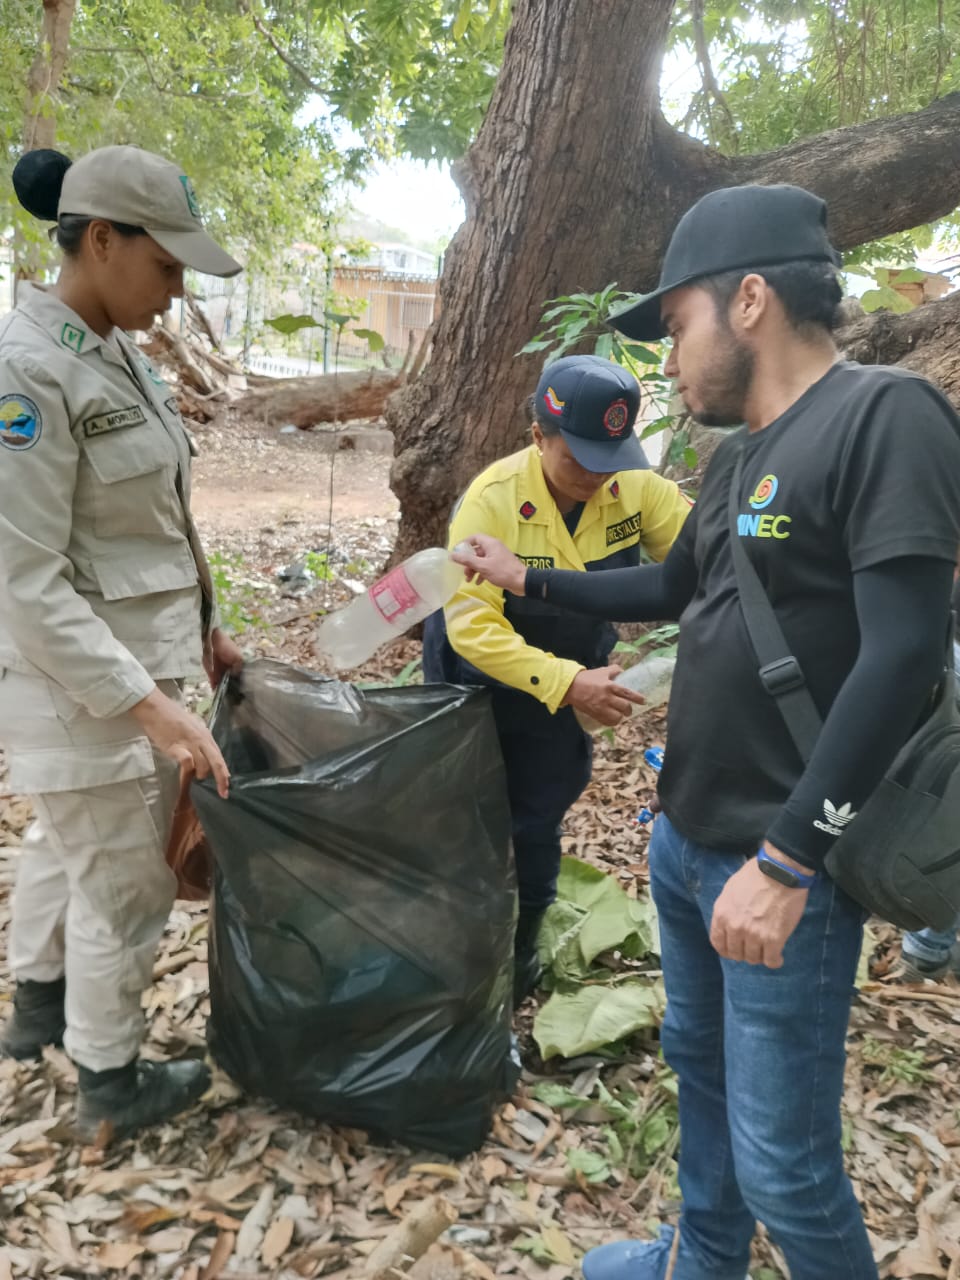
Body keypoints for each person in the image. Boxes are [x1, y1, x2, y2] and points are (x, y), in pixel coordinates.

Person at [453, 184, 960, 1280]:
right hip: (686, 840)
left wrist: (786, 858)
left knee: (786, 1160)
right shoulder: (736, 458)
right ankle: (702, 1259)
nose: (668, 363)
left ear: (749, 300)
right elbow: (676, 584)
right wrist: (526, 573)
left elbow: (905, 650)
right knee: (699, 1069)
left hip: (784, 862)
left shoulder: (888, 418)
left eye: (675, 325)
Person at [0, 145, 244, 1141]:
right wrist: (152, 704)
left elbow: (150, 527)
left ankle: (37, 1012)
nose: (178, 287)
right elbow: (25, 581)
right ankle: (109, 1082)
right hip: (86, 693)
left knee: (64, 846)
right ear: (100, 239)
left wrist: (206, 631)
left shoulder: (112, 352)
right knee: (126, 885)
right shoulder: (29, 371)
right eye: (167, 263)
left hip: (134, 665)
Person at [422, 355, 691, 998]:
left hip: (569, 674)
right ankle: (452, 939)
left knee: (537, 815)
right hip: (478, 678)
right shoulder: (491, 502)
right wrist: (570, 683)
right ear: (538, 436)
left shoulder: (639, 488)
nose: (599, 475)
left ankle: (521, 950)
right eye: (581, 458)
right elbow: (475, 630)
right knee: (469, 811)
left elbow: (707, 568)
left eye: (613, 456)